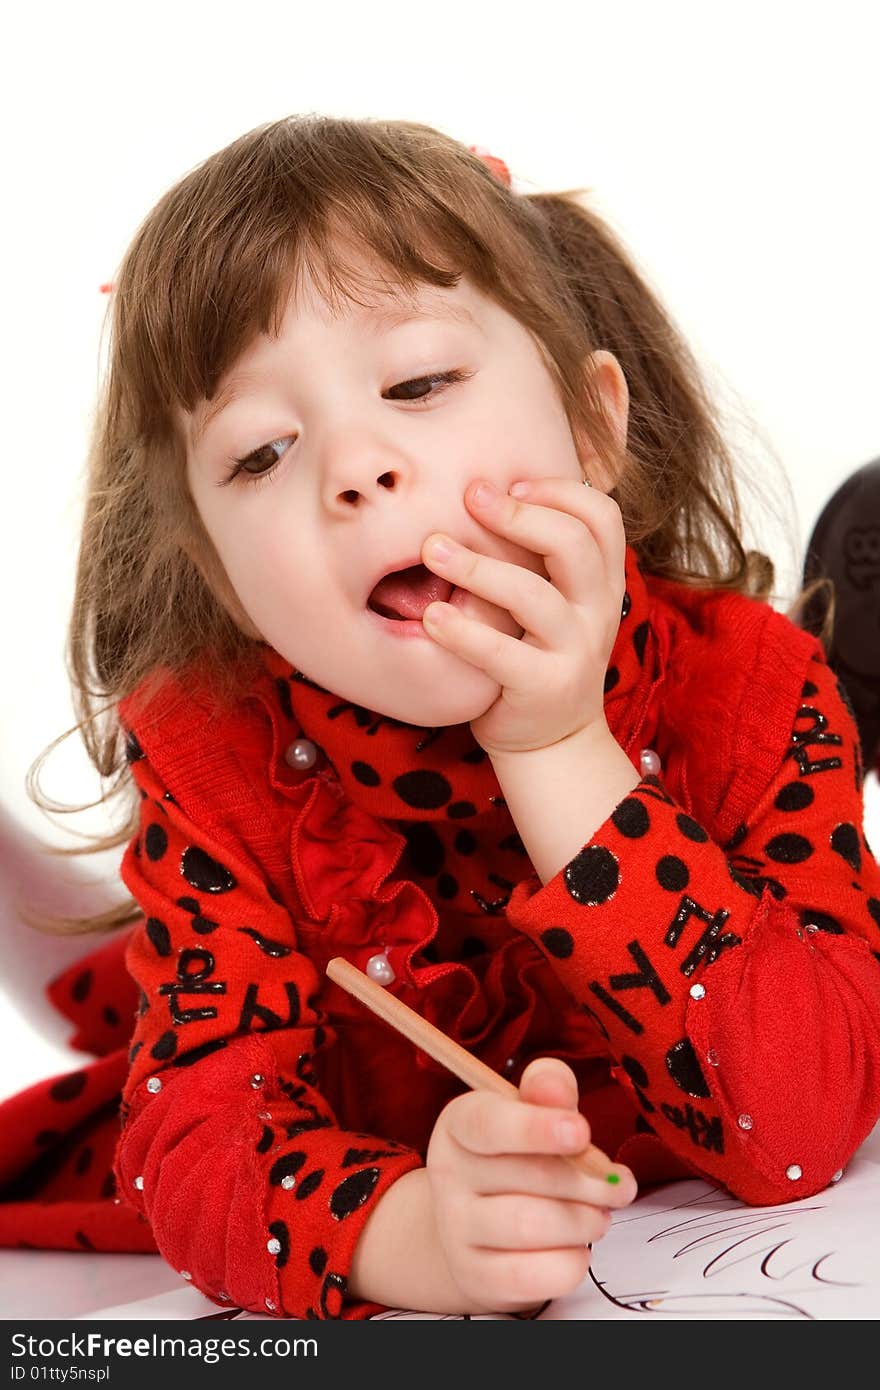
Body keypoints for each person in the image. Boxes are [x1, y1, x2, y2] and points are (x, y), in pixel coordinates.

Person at [2, 114, 879, 1323]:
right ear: (220, 576)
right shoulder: (213, 750)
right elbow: (191, 1133)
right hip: (248, 1000)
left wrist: (561, 750)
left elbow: (800, 1127)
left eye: (417, 383)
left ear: (592, 425)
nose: (353, 467)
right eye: (260, 454)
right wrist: (399, 1233)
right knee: (116, 999)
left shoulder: (751, 684)